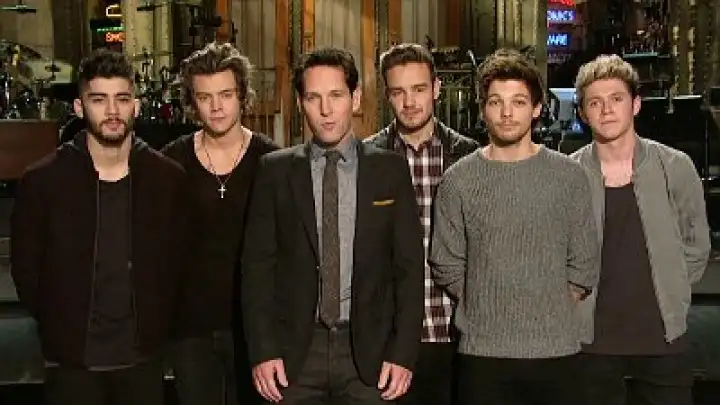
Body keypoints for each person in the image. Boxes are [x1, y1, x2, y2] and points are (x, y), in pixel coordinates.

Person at [241, 47, 425, 404]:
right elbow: (257, 269)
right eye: (314, 98)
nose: (326, 110)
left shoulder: (389, 170)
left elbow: (408, 268)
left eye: (336, 95)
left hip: (370, 353)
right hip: (295, 354)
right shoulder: (274, 171)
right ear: (300, 103)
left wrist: (403, 353)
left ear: (355, 99)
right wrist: (263, 350)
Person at [10, 48, 188, 405]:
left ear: (135, 105)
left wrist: (159, 322)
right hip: (71, 362)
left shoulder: (167, 179)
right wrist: (58, 324)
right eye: (99, 99)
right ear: (79, 108)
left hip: (143, 359)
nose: (112, 111)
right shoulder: (43, 181)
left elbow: (180, 261)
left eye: (121, 99)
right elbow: (26, 269)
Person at [429, 48, 600, 405]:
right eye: (496, 102)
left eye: (518, 102)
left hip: (556, 353)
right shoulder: (458, 180)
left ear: (536, 108)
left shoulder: (569, 177)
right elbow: (446, 262)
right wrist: (487, 301)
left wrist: (546, 304)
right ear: (483, 109)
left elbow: (584, 263)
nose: (507, 113)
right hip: (483, 355)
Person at [572, 54, 710, 405]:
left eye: (616, 99)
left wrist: (672, 286)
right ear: (583, 113)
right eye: (595, 102)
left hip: (663, 340)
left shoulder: (674, 167)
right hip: (590, 344)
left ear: (635, 104)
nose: (606, 110)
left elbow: (697, 246)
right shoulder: (568, 175)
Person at [162, 41, 278, 405]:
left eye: (225, 95)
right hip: (191, 329)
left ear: (242, 95)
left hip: (255, 329)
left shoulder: (272, 161)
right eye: (205, 97)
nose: (216, 107)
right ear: (191, 101)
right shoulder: (171, 162)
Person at [365, 42, 479, 405]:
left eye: (418, 89)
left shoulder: (468, 156)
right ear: (387, 95)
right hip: (392, 338)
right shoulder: (367, 160)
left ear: (436, 88)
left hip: (458, 332)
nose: (409, 101)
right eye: (398, 92)